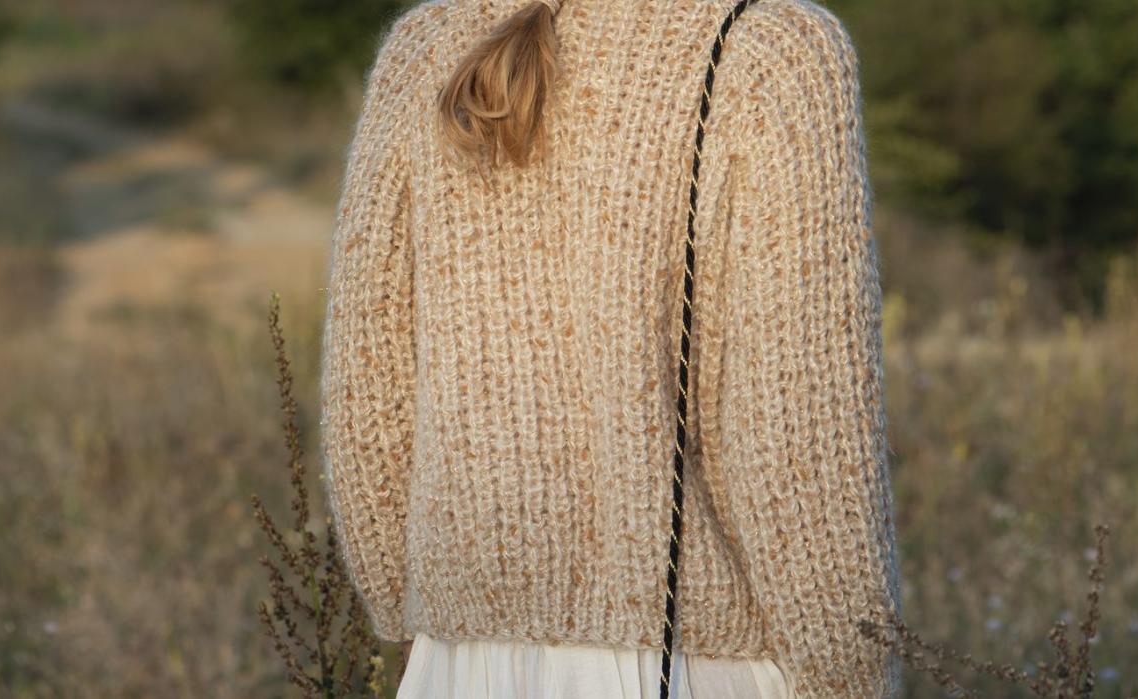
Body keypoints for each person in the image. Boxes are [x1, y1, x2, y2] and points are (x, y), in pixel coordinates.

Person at [317, 0, 903, 696]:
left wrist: (427, 618)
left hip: (458, 661)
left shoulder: (426, 45)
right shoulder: (773, 52)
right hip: (694, 660)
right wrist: (852, 676)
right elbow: (800, 441)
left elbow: (368, 397)